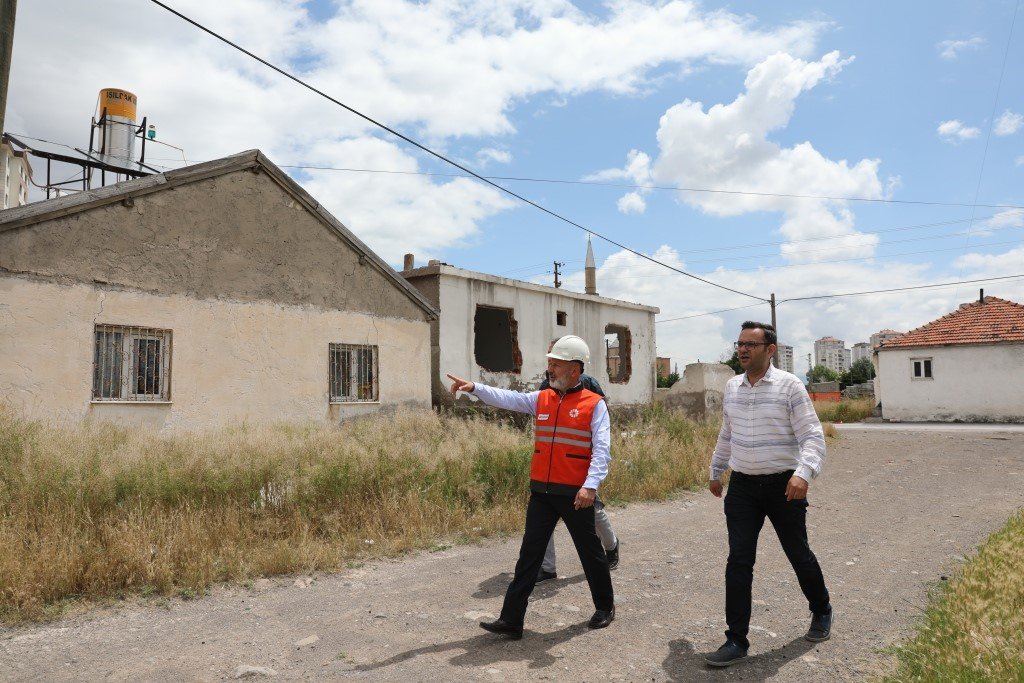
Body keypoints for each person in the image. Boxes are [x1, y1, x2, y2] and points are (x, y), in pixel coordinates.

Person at [447, 334, 615, 638]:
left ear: (574, 370)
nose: (549, 369)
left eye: (556, 364)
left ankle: (605, 607)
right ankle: (511, 620)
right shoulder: (542, 398)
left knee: (589, 552)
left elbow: (602, 450)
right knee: (528, 557)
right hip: (542, 492)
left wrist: (590, 486)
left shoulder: (594, 404)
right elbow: (507, 398)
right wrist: (474, 388)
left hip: (575, 494)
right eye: (549, 363)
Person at [704, 321, 832, 668]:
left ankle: (821, 609)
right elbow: (727, 433)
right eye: (740, 343)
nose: (743, 349)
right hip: (743, 488)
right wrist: (717, 470)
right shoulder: (733, 387)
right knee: (739, 561)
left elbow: (813, 437)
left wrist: (803, 473)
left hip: (783, 487)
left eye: (751, 344)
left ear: (770, 350)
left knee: (798, 553)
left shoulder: (790, 387)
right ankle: (736, 640)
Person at [537, 368, 619, 580]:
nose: (552, 365)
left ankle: (611, 546)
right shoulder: (546, 384)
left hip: (583, 463)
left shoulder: (589, 384)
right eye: (550, 358)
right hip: (554, 465)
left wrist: (593, 474)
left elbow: (602, 423)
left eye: (557, 359)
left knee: (593, 509)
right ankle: (547, 568)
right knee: (545, 518)